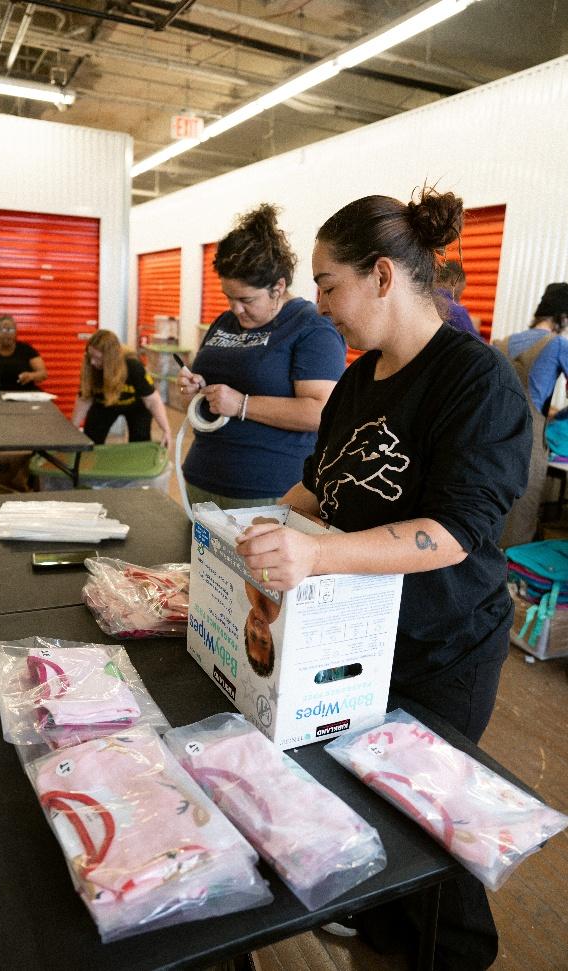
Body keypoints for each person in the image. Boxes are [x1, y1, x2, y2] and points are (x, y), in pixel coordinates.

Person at [236, 186, 532, 971]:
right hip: (359, 633)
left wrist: (316, 556)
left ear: (381, 275)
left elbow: (453, 534)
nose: (320, 305)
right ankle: (380, 928)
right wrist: (248, 528)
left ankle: (455, 953)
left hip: (443, 644)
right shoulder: (361, 378)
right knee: (365, 796)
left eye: (328, 285)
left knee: (428, 823)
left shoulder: (476, 381)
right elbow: (319, 487)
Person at [178, 203, 346, 508]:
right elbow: (213, 392)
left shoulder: (311, 328)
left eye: (246, 299)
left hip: (267, 490)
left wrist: (241, 404)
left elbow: (320, 412)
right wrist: (195, 388)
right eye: (228, 297)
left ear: (278, 287)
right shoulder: (225, 322)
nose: (235, 309)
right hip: (201, 478)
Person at [494, 282, 568, 548]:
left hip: (492, 440)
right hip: (529, 445)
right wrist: (560, 417)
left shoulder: (501, 344)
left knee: (490, 513)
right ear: (563, 318)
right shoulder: (558, 345)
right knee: (520, 521)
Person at [71, 329, 171, 447]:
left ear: (110, 359)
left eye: (98, 358)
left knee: (140, 443)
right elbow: (84, 399)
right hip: (105, 404)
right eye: (90, 356)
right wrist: (72, 430)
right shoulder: (91, 369)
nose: (92, 362)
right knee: (91, 440)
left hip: (136, 407)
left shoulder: (133, 367)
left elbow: (153, 401)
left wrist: (166, 429)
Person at [434, 259, 482, 338]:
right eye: (462, 290)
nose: (460, 296)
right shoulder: (456, 311)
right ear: (454, 281)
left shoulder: (425, 301)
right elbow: (474, 341)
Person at [243, 580, 281, 677]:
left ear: (246, 625)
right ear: (270, 636)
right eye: (264, 641)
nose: (258, 629)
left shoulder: (249, 592)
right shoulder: (275, 606)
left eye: (253, 635)